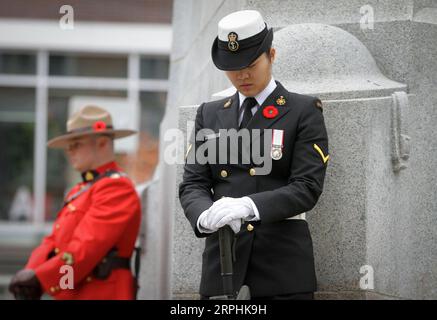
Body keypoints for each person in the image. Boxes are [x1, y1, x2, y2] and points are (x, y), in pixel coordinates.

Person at [179, 10, 329, 300]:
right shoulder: (209, 114)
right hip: (223, 262)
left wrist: (248, 205)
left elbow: (307, 187)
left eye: (250, 64)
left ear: (271, 55)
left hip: (281, 269)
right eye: (233, 67)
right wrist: (205, 217)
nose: (242, 75)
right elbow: (193, 184)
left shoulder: (302, 111)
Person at [9, 105, 141, 300]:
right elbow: (53, 242)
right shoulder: (79, 191)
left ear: (103, 143)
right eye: (68, 146)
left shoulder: (117, 188)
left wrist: (40, 278)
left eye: (76, 144)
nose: (69, 151)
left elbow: (86, 247)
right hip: (73, 288)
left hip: (103, 292)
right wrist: (31, 271)